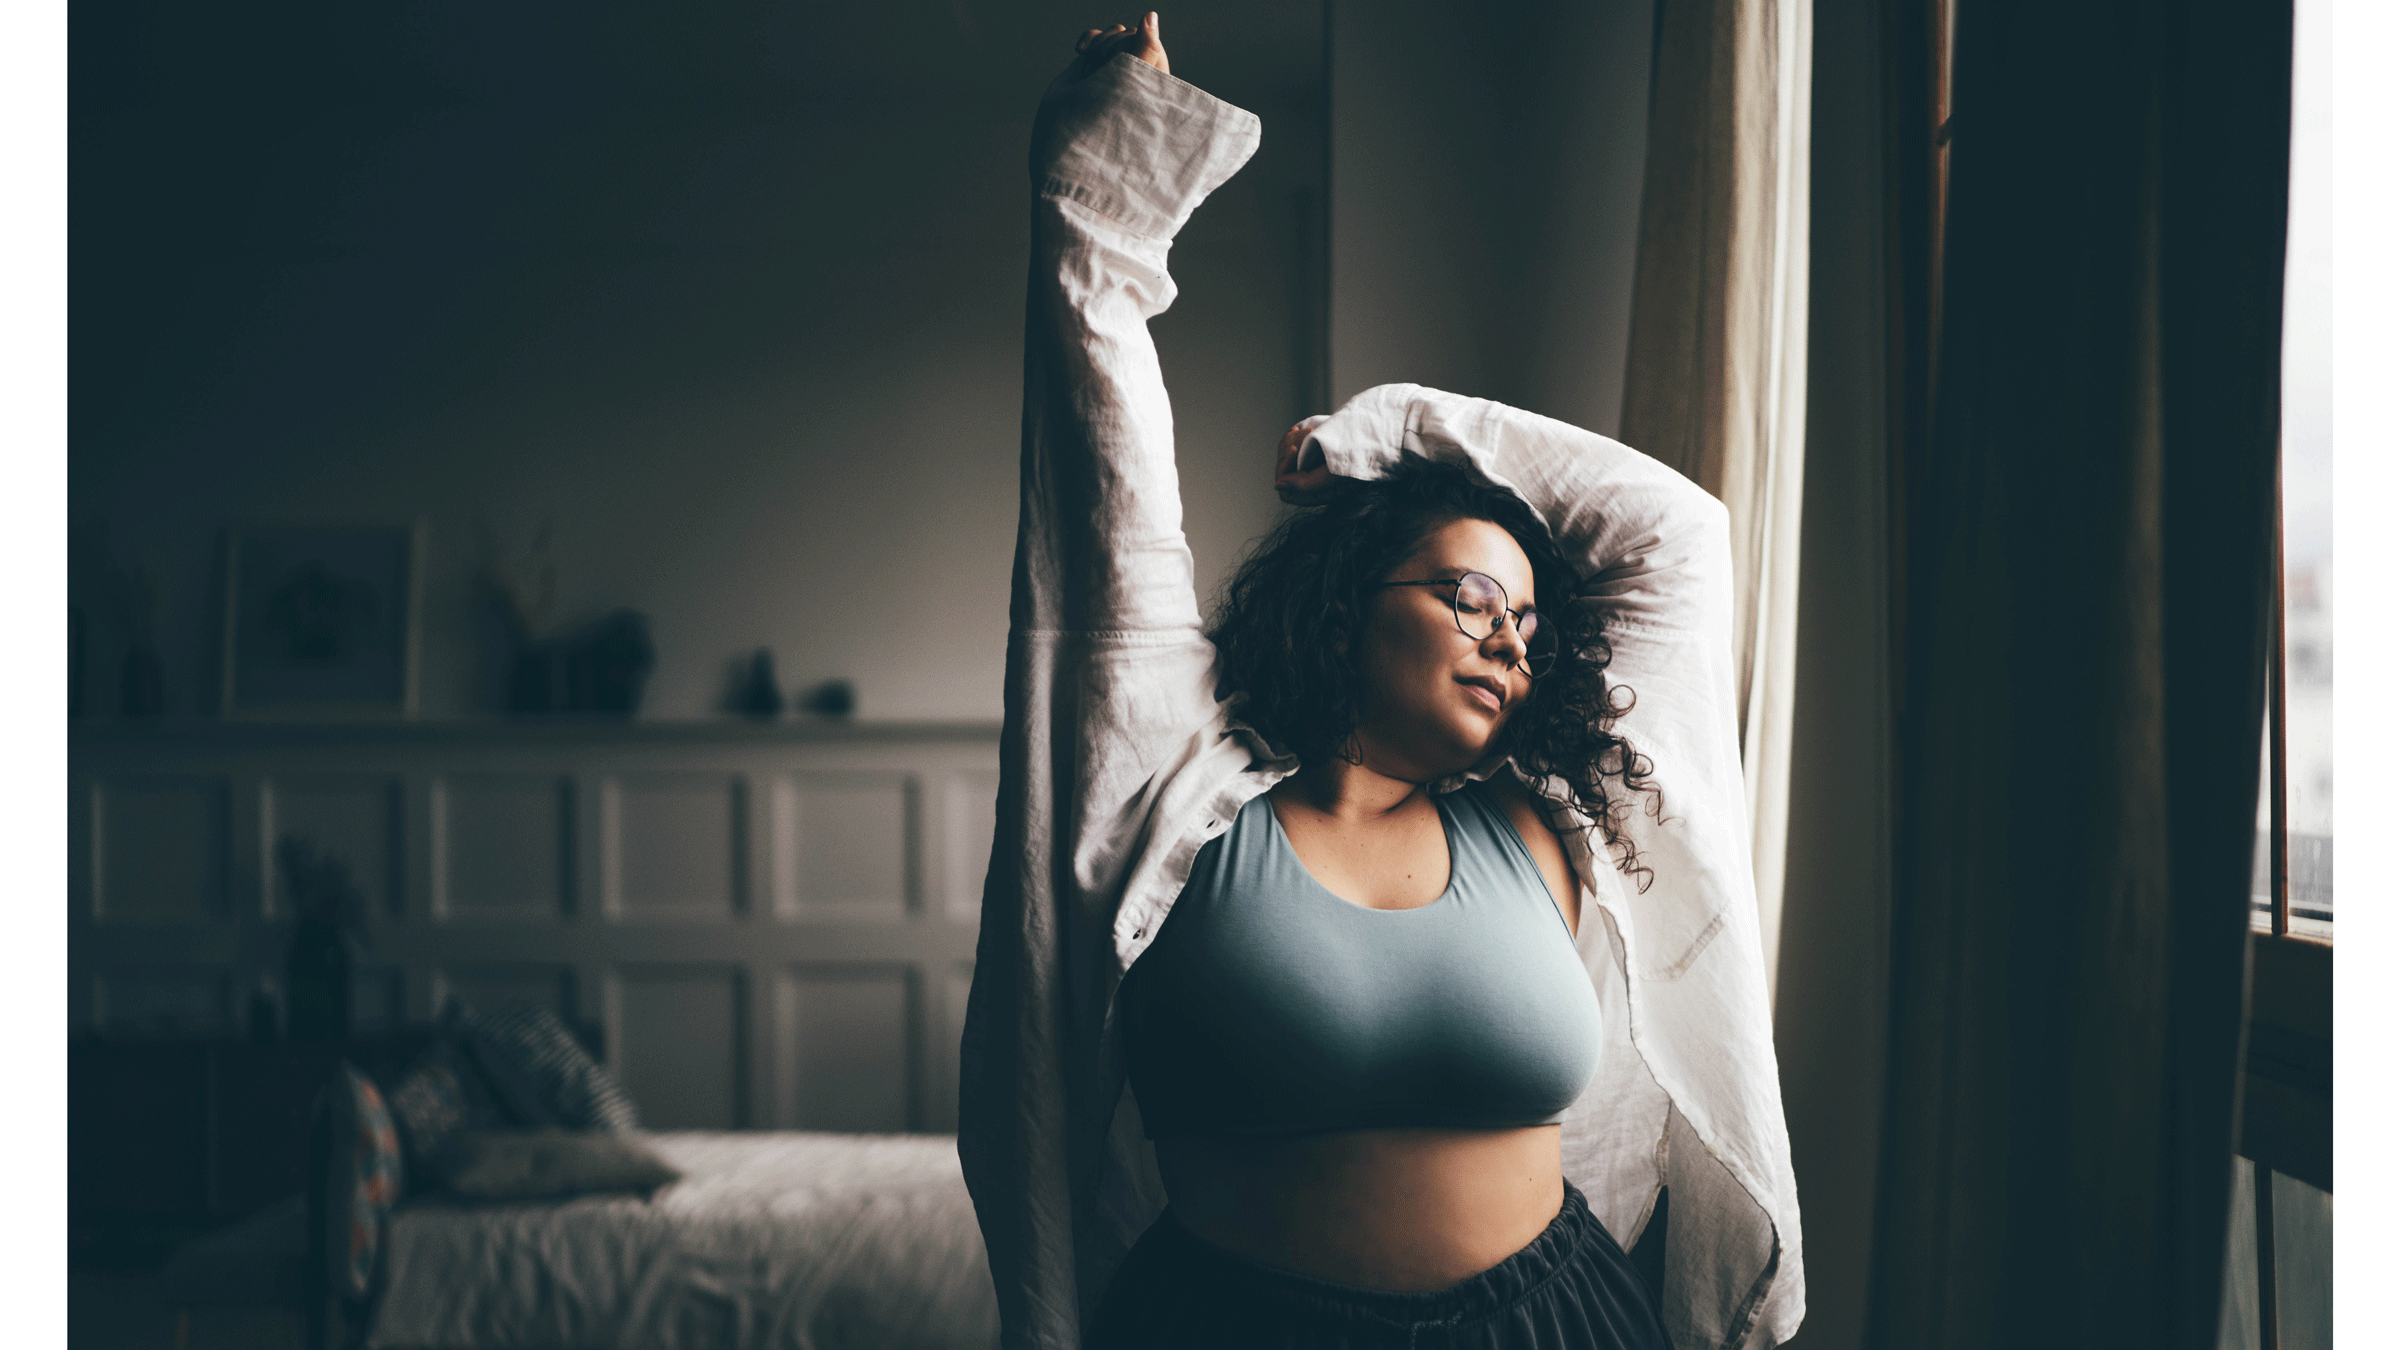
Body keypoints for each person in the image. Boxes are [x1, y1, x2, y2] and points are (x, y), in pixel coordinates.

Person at [959, 14, 1804, 1349]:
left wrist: (1402, 427)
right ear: (1351, 603)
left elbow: (1676, 533)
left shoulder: (1546, 829)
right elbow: (1100, 482)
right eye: (1472, 595)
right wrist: (1104, 173)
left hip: (1557, 1320)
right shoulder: (1184, 795)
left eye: (1529, 622)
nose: (1509, 639)